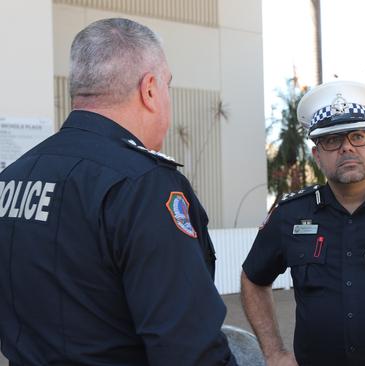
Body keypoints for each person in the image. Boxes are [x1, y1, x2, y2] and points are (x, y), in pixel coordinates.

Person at [0, 18, 236, 365]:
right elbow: (189, 349)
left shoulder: (12, 178)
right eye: (168, 85)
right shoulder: (143, 184)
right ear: (151, 89)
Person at [240, 80, 365, 365]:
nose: (346, 148)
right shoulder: (290, 214)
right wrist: (274, 353)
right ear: (317, 156)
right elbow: (253, 279)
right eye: (332, 140)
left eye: (358, 136)